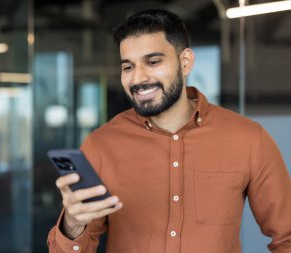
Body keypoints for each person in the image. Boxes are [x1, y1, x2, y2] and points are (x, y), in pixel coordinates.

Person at [47, 9, 291, 253]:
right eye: (128, 67)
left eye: (153, 62)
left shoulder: (248, 138)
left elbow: (286, 238)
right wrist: (73, 223)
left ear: (185, 62)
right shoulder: (100, 145)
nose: (138, 78)